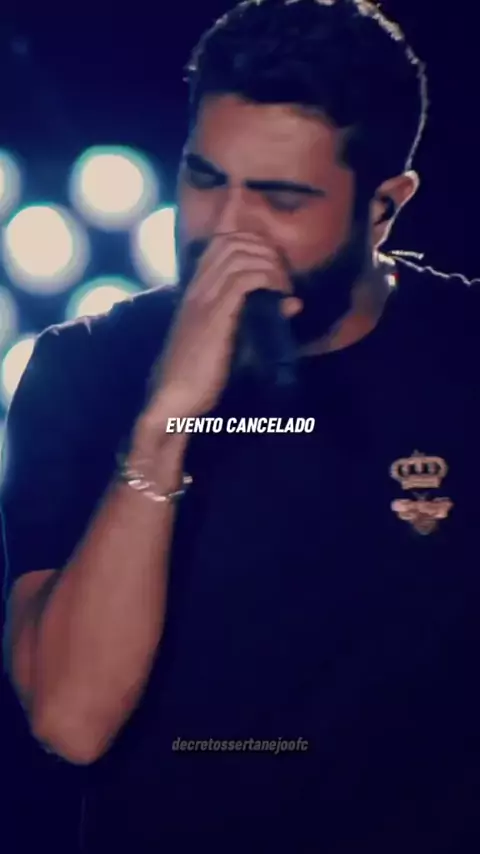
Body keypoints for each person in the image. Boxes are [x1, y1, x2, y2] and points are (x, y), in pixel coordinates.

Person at [2, 0, 480, 851]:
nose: (225, 234)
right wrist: (165, 419)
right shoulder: (85, 368)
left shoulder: (464, 353)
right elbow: (70, 721)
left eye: (281, 199)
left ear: (384, 207)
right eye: (204, 179)